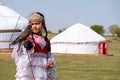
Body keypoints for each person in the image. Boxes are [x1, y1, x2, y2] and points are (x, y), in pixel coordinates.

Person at [11, 12, 58, 80]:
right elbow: (22, 55)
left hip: (42, 70)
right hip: (29, 71)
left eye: (37, 23)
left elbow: (48, 54)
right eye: (32, 24)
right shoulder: (28, 38)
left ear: (42, 24)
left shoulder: (46, 40)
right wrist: (27, 46)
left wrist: (49, 61)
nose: (34, 26)